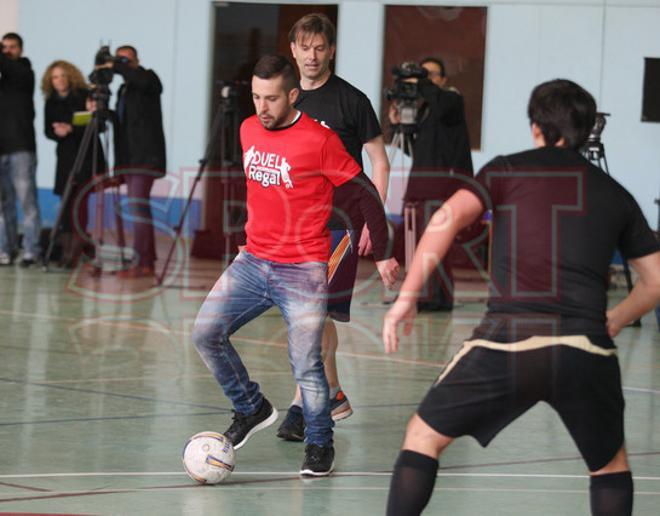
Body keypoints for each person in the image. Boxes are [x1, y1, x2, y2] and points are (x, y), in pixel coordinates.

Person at [383, 79, 660, 516]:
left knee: (423, 436)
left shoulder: (505, 170)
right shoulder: (617, 195)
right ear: (587, 131)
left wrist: (408, 296)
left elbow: (447, 216)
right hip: (585, 347)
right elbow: (655, 282)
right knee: (610, 467)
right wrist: (616, 319)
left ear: (536, 127)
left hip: (507, 342)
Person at [192, 55, 394, 477]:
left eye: (271, 98)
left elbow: (363, 191)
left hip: (302, 269)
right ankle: (251, 407)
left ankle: (320, 444)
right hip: (252, 260)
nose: (261, 107)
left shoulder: (318, 141)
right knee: (206, 333)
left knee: (306, 363)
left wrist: (385, 248)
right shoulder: (247, 129)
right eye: (255, 97)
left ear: (292, 95)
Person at [276, 12, 399, 442]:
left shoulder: (351, 100)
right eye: (304, 47)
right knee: (313, 316)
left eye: (320, 47)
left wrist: (373, 218)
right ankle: (333, 392)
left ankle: (300, 405)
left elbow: (379, 163)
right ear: (293, 50)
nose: (312, 55)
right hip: (297, 227)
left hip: (341, 225)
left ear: (331, 51)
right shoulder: (289, 102)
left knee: (311, 315)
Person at [389, 57, 473, 311]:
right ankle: (418, 293)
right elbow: (418, 151)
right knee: (416, 242)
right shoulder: (426, 109)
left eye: (431, 74)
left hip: (442, 186)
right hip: (421, 185)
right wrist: (398, 127)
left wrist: (420, 80)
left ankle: (435, 297)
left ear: (443, 79)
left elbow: (441, 103)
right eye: (422, 75)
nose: (425, 79)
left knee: (435, 241)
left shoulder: (451, 99)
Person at [42, 60, 105, 267]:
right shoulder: (51, 101)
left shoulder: (83, 96)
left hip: (85, 155)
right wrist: (57, 131)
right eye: (55, 77)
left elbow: (98, 125)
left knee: (79, 203)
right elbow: (47, 130)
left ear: (70, 76)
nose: (59, 80)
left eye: (62, 76)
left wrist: (71, 129)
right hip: (65, 158)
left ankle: (75, 252)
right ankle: (66, 249)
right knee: (66, 202)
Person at [111, 45, 166, 278]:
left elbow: (145, 83)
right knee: (138, 208)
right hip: (129, 158)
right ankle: (146, 260)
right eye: (119, 59)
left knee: (137, 209)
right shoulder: (123, 89)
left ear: (136, 60)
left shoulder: (148, 78)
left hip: (146, 157)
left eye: (127, 59)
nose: (122, 63)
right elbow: (124, 123)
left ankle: (143, 261)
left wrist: (122, 68)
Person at [0, 32, 41, 267]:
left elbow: (10, 67)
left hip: (21, 148)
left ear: (20, 50)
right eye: (4, 47)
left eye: (11, 47)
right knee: (3, 205)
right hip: (1, 149)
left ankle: (31, 250)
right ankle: (6, 249)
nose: (7, 51)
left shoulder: (25, 72)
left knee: (27, 201)